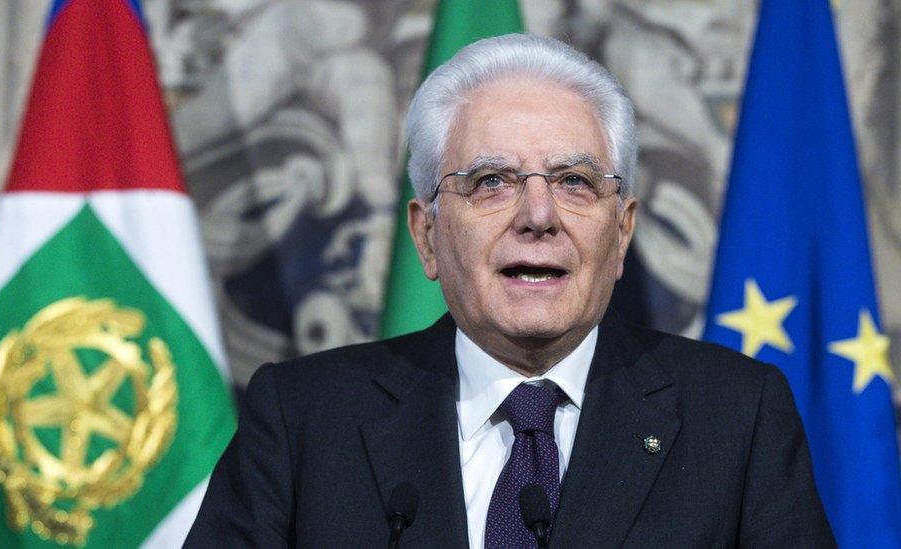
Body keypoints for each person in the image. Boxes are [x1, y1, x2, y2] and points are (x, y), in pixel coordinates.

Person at [185, 33, 834, 548]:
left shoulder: (736, 415)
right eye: (491, 180)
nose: (538, 214)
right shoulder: (302, 421)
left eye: (575, 181)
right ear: (428, 236)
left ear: (623, 230)